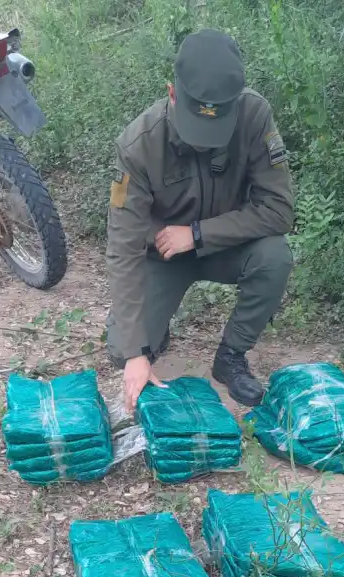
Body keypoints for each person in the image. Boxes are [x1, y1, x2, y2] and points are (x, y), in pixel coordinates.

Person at [105, 29, 294, 411]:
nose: (205, 141)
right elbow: (123, 247)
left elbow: (279, 209)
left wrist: (198, 234)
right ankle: (155, 337)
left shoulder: (254, 116)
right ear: (172, 93)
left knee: (275, 257)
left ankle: (231, 357)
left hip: (226, 247)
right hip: (164, 256)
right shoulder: (139, 144)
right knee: (122, 348)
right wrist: (136, 352)